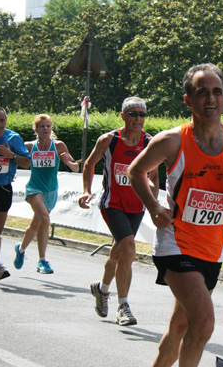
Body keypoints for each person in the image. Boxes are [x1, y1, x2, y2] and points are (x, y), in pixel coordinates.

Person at [127, 63, 223, 367]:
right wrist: (153, 206)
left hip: (212, 250)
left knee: (181, 326)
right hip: (175, 244)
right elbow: (135, 171)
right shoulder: (172, 140)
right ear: (188, 100)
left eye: (217, 92)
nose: (211, 99)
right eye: (203, 93)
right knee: (203, 324)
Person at [78, 97, 159, 326]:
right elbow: (89, 164)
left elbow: (153, 177)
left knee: (117, 253)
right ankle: (123, 307)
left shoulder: (149, 143)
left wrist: (152, 198)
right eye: (133, 113)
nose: (138, 118)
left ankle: (101, 290)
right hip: (112, 203)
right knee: (129, 249)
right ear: (123, 116)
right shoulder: (109, 140)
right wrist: (86, 190)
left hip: (137, 206)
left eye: (142, 114)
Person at [13, 114, 79, 274]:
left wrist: (67, 162)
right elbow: (18, 161)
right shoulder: (29, 146)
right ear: (36, 129)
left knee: (36, 224)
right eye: (42, 126)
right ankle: (42, 261)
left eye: (48, 126)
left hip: (51, 190)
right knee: (44, 218)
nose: (46, 129)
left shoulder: (58, 146)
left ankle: (20, 249)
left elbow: (76, 168)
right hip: (34, 188)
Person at [0, 106, 31, 280]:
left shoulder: (13, 138)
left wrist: (11, 155)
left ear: (6, 120)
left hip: (5, 187)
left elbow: (27, 163)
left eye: (1, 120)